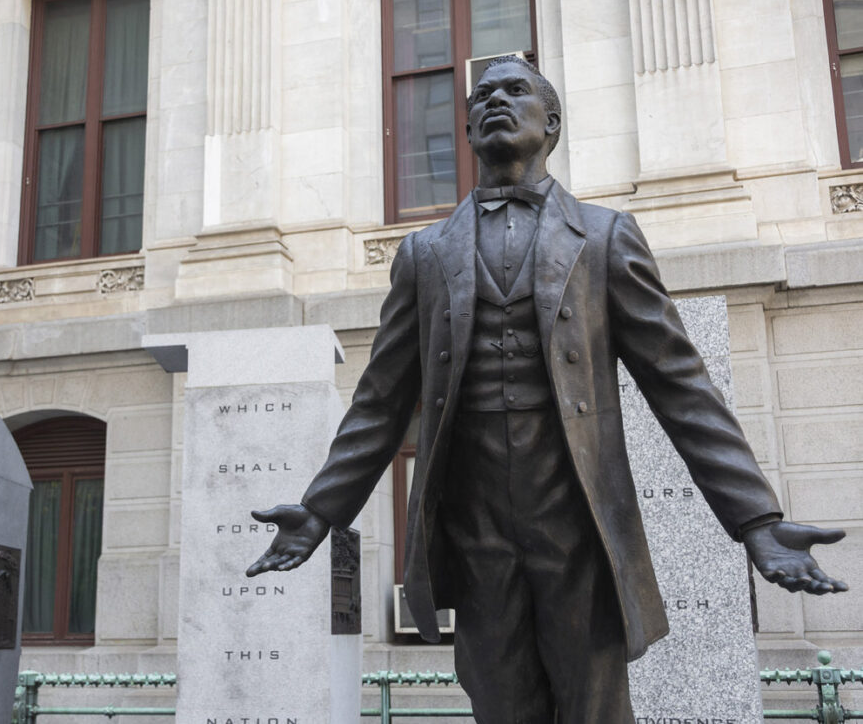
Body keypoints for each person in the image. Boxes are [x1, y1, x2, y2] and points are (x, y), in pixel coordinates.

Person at [247, 55, 847, 723]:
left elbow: (681, 384)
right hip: (475, 529)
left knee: (594, 707)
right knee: (500, 706)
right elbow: (380, 400)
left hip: (578, 521)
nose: (494, 100)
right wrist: (322, 508)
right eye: (481, 96)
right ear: (469, 129)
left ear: (551, 121)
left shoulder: (604, 237)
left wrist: (756, 520)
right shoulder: (425, 254)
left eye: (515, 90)